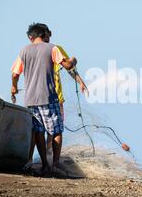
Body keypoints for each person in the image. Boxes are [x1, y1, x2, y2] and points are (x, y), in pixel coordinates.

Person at [11, 23, 87, 175]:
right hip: (48, 97)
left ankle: (45, 164)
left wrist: (13, 87)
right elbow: (67, 65)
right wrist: (74, 60)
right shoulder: (52, 48)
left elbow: (15, 74)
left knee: (38, 132)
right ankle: (55, 164)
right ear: (43, 34)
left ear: (30, 36)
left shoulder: (23, 51)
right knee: (56, 131)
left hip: (30, 99)